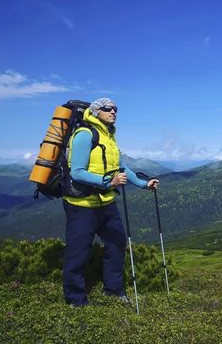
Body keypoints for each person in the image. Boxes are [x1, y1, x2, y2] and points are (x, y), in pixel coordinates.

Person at [61, 97, 159, 307]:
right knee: (78, 252)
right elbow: (77, 173)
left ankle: (113, 291)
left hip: (106, 203)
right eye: (108, 108)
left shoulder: (109, 138)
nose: (114, 111)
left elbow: (121, 169)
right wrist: (109, 182)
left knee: (116, 244)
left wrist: (144, 184)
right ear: (96, 111)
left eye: (115, 109)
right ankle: (75, 300)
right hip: (82, 206)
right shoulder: (84, 135)